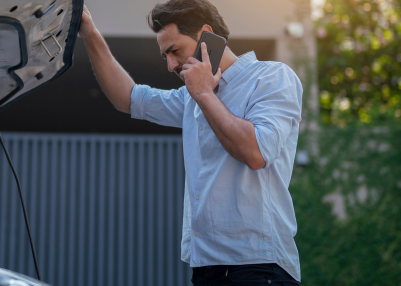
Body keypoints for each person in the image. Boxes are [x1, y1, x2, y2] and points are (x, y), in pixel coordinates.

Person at [79, 0, 304, 285]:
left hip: (259, 266)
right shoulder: (191, 98)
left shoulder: (272, 77)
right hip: (206, 269)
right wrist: (90, 33)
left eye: (175, 51)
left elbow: (255, 151)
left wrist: (204, 95)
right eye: (166, 56)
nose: (171, 64)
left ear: (206, 37)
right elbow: (128, 98)